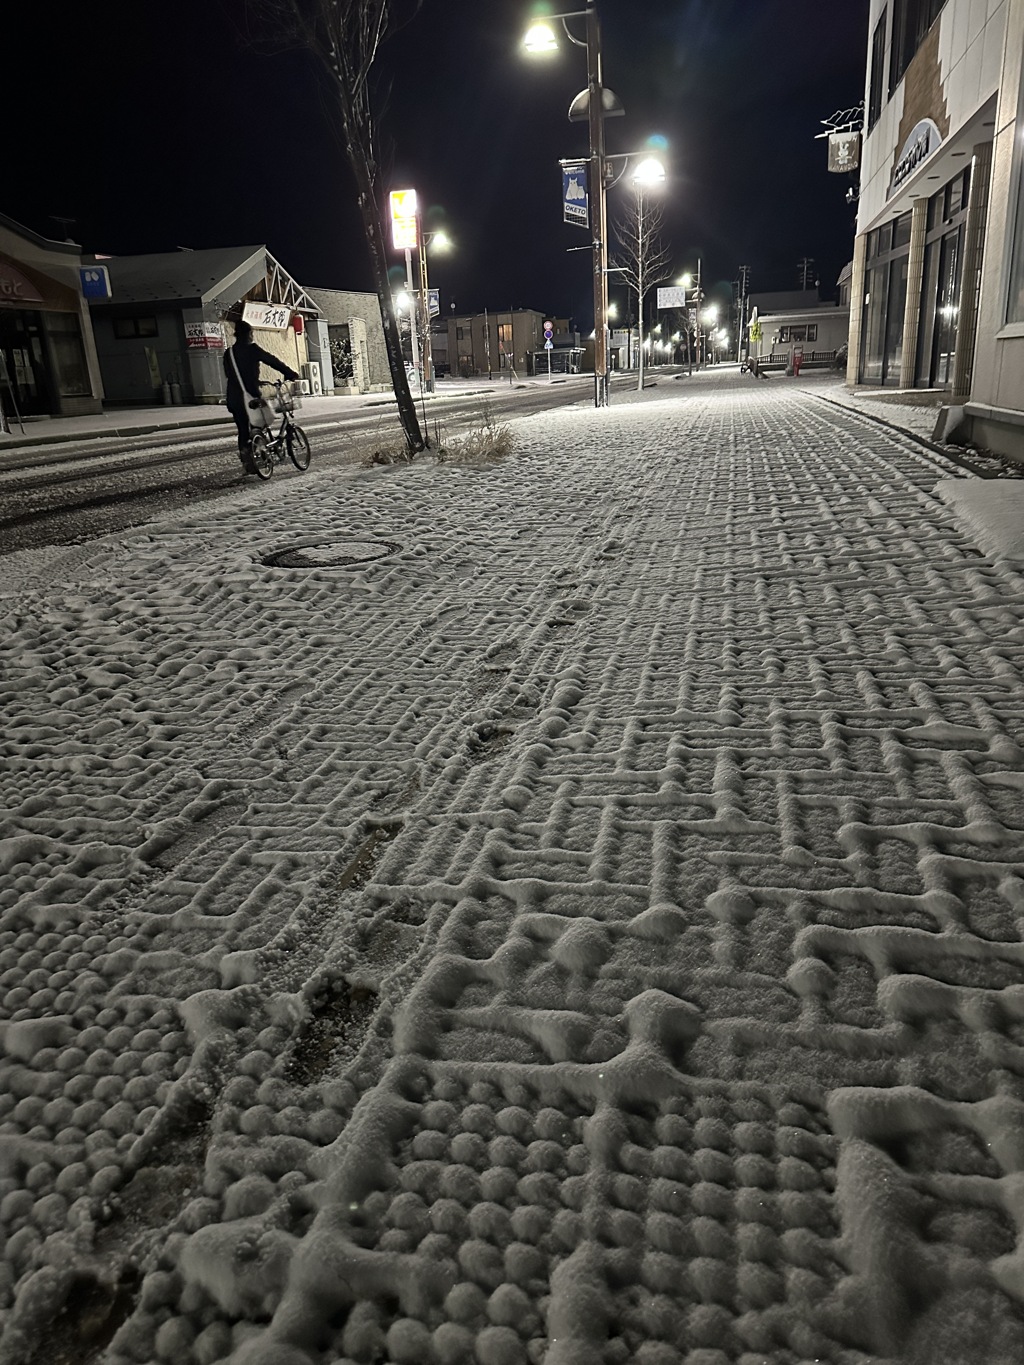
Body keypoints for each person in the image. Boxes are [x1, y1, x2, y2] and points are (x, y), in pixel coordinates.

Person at [224, 320, 299, 473]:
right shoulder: (253, 349)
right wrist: (290, 373)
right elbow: (272, 361)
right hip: (251, 397)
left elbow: (229, 374)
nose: (252, 336)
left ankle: (248, 461)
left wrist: (254, 380)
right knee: (259, 424)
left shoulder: (229, 353)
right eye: (252, 333)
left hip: (234, 398)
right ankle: (261, 452)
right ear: (248, 335)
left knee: (243, 430)